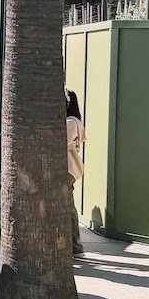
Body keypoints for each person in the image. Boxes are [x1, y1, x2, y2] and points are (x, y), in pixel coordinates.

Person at [66, 90, 87, 249]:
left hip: (68, 168)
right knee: (68, 205)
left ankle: (75, 245)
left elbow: (63, 142)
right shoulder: (71, 121)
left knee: (68, 206)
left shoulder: (71, 122)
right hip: (68, 167)